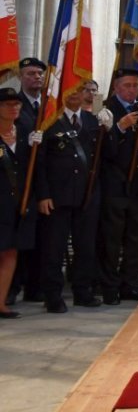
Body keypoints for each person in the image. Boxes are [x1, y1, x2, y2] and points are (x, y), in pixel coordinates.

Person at [35, 87, 102, 311]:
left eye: (80, 89)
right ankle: (53, 296)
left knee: (85, 247)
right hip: (57, 195)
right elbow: (40, 163)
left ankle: (83, 291)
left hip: (86, 194)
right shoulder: (50, 120)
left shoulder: (92, 121)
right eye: (71, 88)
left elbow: (101, 157)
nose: (75, 94)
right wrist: (43, 194)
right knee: (54, 247)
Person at [96, 68, 138, 305]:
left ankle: (130, 283)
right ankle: (110, 286)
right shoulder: (107, 110)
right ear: (116, 88)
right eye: (127, 85)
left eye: (135, 85)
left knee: (135, 236)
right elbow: (102, 151)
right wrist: (119, 127)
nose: (132, 90)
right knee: (112, 238)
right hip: (116, 183)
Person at [12, 57, 45, 304]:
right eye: (31, 74)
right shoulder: (13, 105)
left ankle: (35, 287)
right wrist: (26, 143)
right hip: (18, 180)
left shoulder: (50, 104)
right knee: (16, 238)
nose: (37, 78)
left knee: (41, 237)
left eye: (40, 74)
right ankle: (11, 289)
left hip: (44, 182)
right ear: (21, 77)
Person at [0, 87, 36, 318]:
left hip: (17, 203)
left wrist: (34, 148)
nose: (13, 108)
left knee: (10, 252)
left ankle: (1, 302)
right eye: (7, 104)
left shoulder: (24, 132)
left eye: (16, 104)